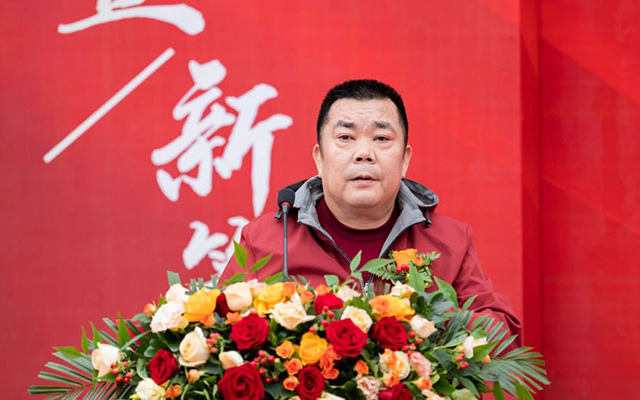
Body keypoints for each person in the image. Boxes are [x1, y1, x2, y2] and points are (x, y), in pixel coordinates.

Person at [221, 79, 521, 340]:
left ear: (404, 159)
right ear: (319, 159)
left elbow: (503, 334)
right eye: (345, 138)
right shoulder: (266, 240)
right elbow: (217, 328)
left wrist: (423, 321)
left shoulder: (451, 241)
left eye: (381, 139)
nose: (364, 153)